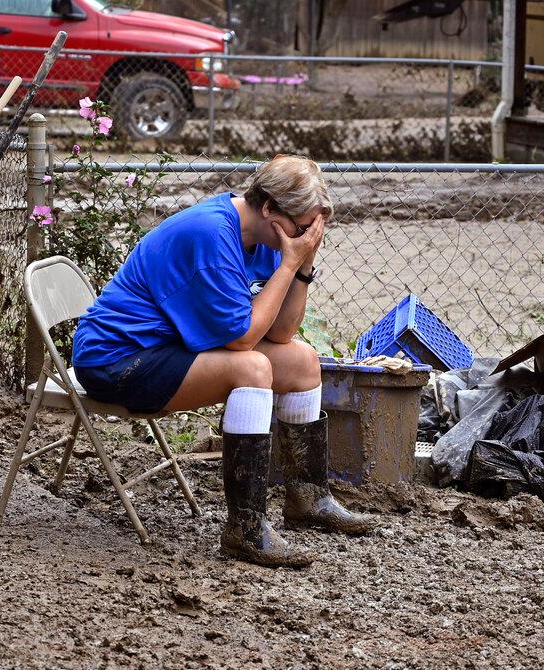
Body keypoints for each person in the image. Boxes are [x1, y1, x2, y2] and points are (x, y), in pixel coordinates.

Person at [71, 155, 377, 569]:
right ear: (269, 208)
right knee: (250, 368)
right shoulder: (213, 235)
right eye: (302, 228)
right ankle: (245, 531)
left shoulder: (269, 237)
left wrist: (302, 265)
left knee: (303, 361)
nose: (307, 236)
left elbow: (281, 333)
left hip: (171, 348)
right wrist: (290, 261)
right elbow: (244, 339)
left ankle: (309, 498)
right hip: (118, 359)